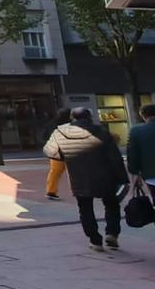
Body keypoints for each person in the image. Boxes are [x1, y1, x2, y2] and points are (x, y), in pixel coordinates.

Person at [44, 107, 129, 251]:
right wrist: (122, 177)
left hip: (79, 177)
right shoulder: (102, 131)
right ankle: (112, 233)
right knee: (112, 205)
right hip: (106, 175)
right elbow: (115, 157)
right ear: (90, 116)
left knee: (85, 209)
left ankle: (95, 240)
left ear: (73, 118)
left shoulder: (62, 133)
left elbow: (52, 152)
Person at [45, 108, 72, 200]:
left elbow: (44, 136)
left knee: (54, 172)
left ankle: (51, 191)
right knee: (74, 172)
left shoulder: (51, 124)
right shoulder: (71, 125)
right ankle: (78, 190)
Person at [128, 104, 155, 197]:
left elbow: (132, 155)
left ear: (143, 116)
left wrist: (135, 173)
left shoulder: (136, 131)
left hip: (152, 175)